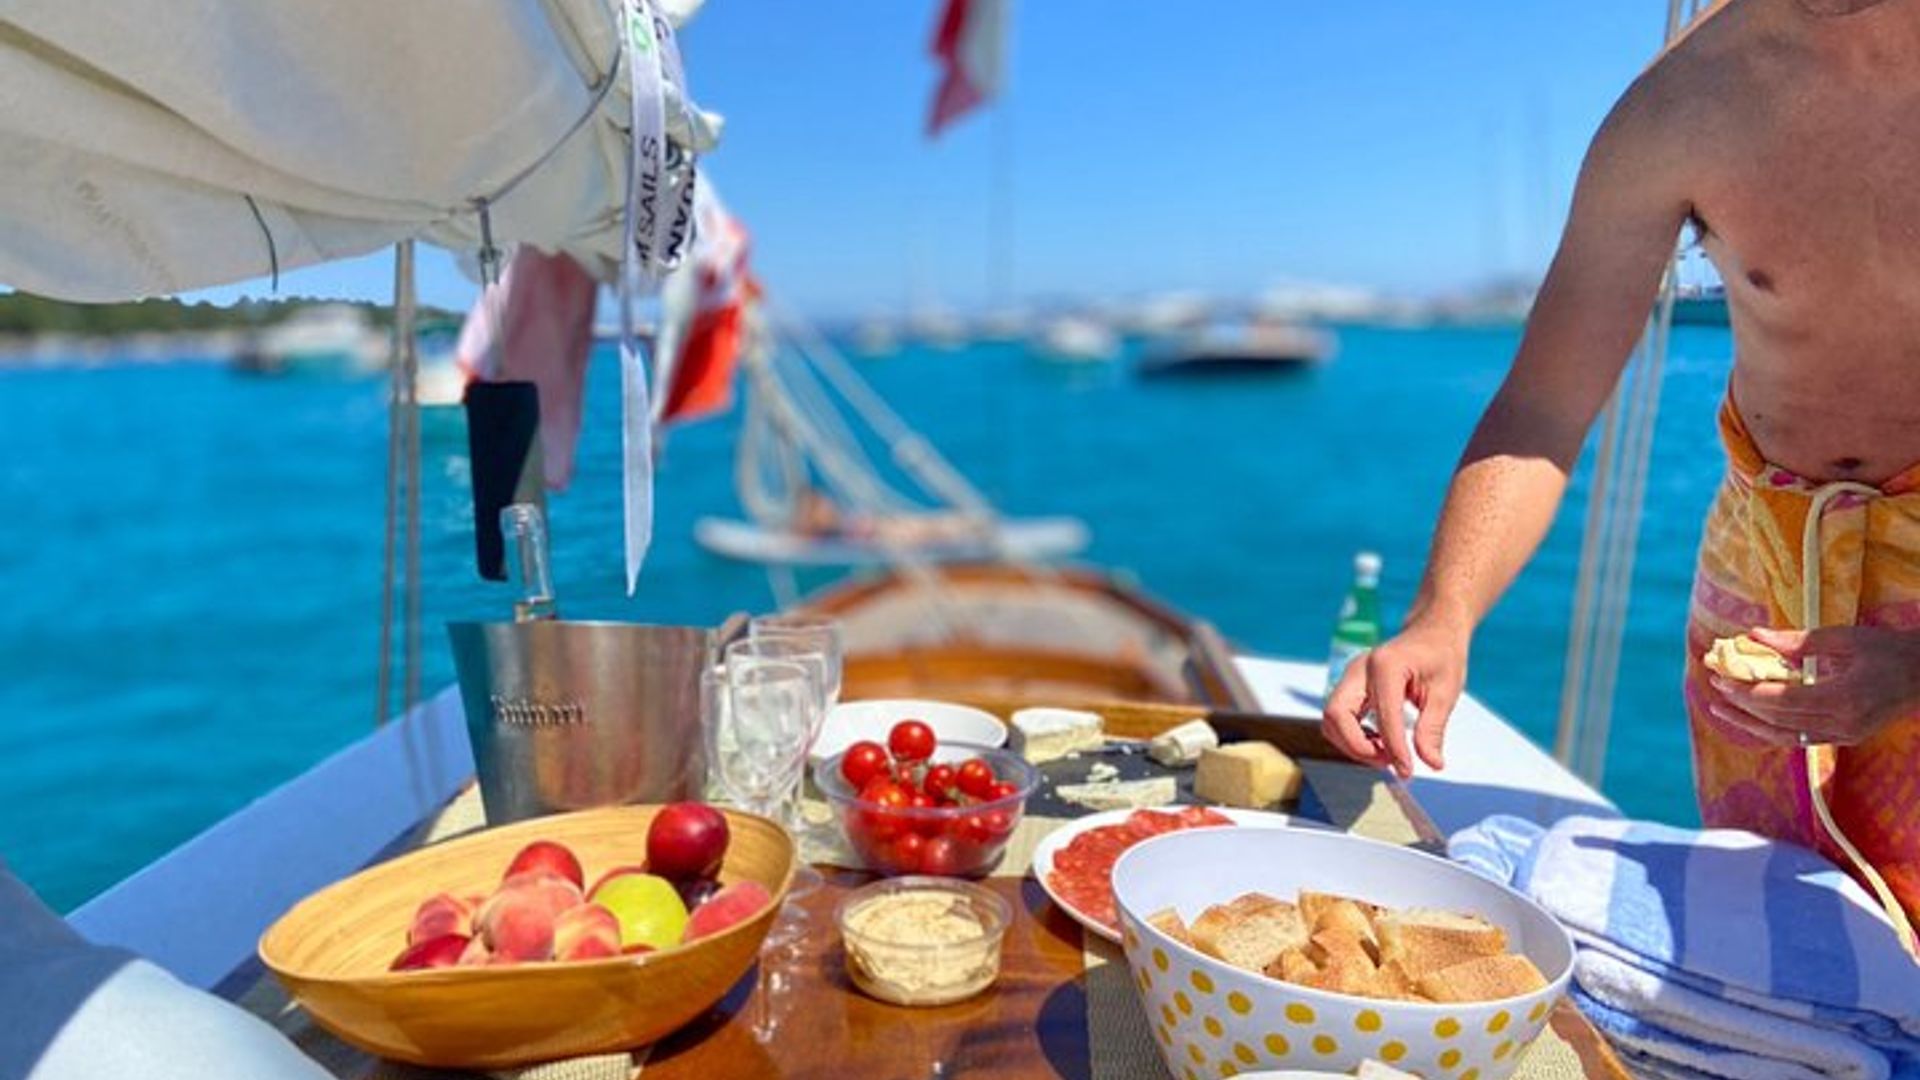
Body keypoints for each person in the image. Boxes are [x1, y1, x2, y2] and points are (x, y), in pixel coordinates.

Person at [1322, 0, 1920, 941]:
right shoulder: (1682, 104)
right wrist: (1443, 615)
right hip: (1763, 575)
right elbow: (1544, 406)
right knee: (1776, 931)